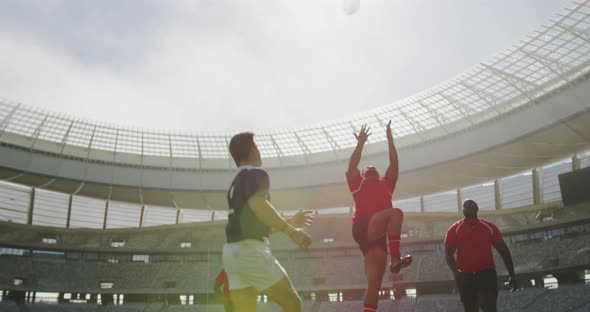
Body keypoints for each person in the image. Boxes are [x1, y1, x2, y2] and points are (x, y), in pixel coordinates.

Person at [223, 132, 312, 312]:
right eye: (256, 146)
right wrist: (291, 231)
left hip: (232, 254)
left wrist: (290, 221)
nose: (259, 150)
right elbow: (258, 204)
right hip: (252, 251)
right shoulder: (257, 173)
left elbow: (254, 222)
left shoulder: (235, 183)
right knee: (292, 303)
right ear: (251, 150)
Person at [346, 121, 412, 312]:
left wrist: (390, 138)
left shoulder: (386, 183)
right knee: (396, 213)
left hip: (376, 236)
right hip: (363, 226)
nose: (371, 167)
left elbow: (394, 163)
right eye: (368, 167)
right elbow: (352, 165)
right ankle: (396, 257)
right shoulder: (358, 183)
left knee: (374, 282)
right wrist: (360, 143)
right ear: (365, 173)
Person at [214, 210, 314, 312]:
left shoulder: (230, 263)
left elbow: (265, 229)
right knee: (292, 302)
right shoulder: (252, 206)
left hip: (235, 268)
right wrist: (291, 227)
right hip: (249, 258)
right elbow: (264, 224)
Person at [444, 199, 518, 312]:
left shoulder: (489, 227)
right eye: (466, 205)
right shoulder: (454, 229)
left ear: (477, 209)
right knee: (470, 309)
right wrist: (456, 272)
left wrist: (512, 274)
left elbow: (504, 251)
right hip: (466, 276)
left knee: (489, 307)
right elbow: (448, 254)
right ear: (462, 210)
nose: (468, 207)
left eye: (471, 205)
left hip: (486, 274)